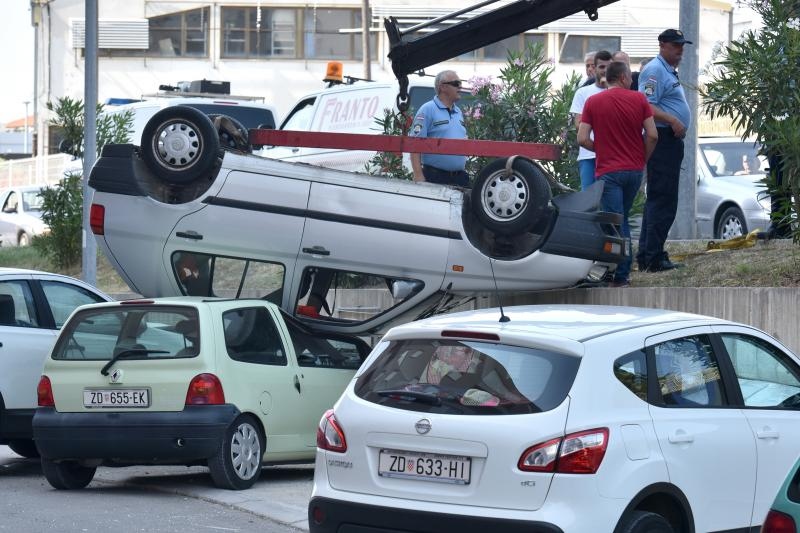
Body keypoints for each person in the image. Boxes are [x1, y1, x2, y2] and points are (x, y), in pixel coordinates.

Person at [578, 61, 659, 287]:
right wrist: (642, 159)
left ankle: (621, 274)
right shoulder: (640, 99)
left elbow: (582, 138)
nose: (633, 81)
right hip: (634, 171)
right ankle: (619, 271)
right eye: (630, 77)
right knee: (620, 218)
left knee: (616, 222)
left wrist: (602, 148)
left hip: (609, 171)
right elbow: (652, 135)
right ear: (623, 77)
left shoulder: (593, 102)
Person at [636, 29, 692, 273]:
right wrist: (673, 120)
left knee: (661, 199)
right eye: (675, 45)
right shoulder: (654, 70)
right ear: (662, 45)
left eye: (682, 45)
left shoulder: (667, 70)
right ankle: (653, 257)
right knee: (663, 199)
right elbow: (645, 105)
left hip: (669, 140)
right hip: (662, 139)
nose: (680, 50)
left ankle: (649, 254)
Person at [409, 70, 469, 186]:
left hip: (459, 177)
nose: (460, 87)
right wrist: (418, 175)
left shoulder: (458, 111)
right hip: (435, 176)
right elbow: (414, 144)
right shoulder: (427, 109)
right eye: (456, 83)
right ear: (443, 87)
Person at [570, 50, 612, 190]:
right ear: (594, 68)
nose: (605, 70)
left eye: (608, 67)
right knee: (588, 200)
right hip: (588, 155)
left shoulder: (620, 93)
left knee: (610, 200)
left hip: (613, 157)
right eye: (601, 67)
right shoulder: (582, 93)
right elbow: (578, 124)